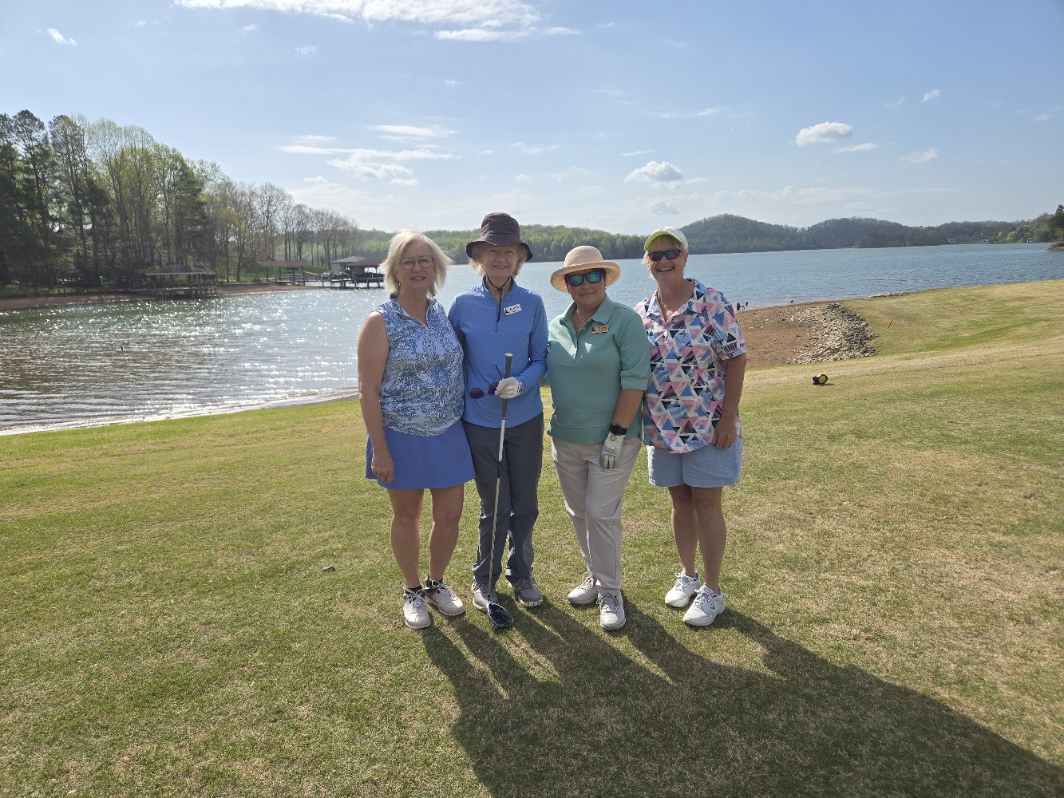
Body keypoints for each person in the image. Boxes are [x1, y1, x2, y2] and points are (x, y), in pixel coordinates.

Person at [357, 231, 474, 630]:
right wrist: (380, 450)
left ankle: (436, 584)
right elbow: (367, 390)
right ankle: (411, 591)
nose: (418, 268)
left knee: (450, 515)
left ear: (436, 267)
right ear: (395, 270)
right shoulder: (380, 321)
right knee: (407, 516)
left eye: (425, 260)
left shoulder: (441, 314)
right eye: (409, 261)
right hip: (400, 432)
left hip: (449, 430)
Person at [634, 227, 746, 627]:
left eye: (671, 253)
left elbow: (736, 358)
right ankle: (688, 575)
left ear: (685, 257)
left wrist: (728, 417)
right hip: (662, 429)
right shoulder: (642, 311)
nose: (664, 260)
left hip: (708, 425)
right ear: (647, 262)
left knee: (706, 504)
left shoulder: (710, 302)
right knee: (680, 501)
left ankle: (712, 591)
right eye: (656, 255)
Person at [545, 246, 651, 631]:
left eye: (593, 276)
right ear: (567, 284)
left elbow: (635, 381)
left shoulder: (625, 321)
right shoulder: (555, 325)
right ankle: (595, 575)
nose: (585, 284)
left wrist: (616, 435)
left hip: (613, 440)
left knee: (601, 514)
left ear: (605, 280)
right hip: (565, 438)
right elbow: (544, 371)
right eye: (576, 277)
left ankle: (610, 591)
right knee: (578, 513)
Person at [448, 213, 548, 611]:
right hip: (480, 422)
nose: (500, 258)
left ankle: (520, 573)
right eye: (492, 251)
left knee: (525, 502)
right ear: (479, 257)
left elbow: (540, 359)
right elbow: (452, 361)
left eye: (508, 251)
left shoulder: (533, 303)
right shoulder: (462, 305)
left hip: (525, 419)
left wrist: (521, 383)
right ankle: (484, 578)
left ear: (519, 257)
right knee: (495, 504)